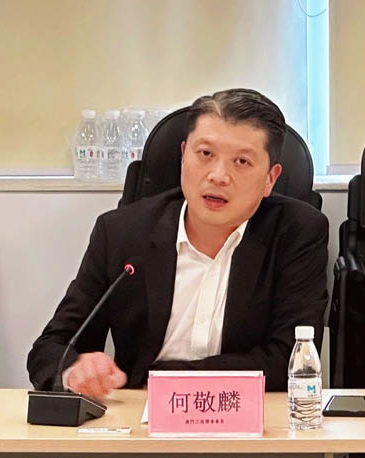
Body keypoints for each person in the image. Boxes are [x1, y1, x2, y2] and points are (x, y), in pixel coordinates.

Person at [27, 88, 328, 398]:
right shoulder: (121, 232)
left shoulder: (296, 233)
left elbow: (292, 359)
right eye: (205, 154)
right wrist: (74, 371)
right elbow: (51, 347)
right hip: (140, 420)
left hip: (248, 417)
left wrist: (168, 380)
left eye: (241, 161)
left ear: (270, 179)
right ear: (183, 155)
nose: (218, 176)